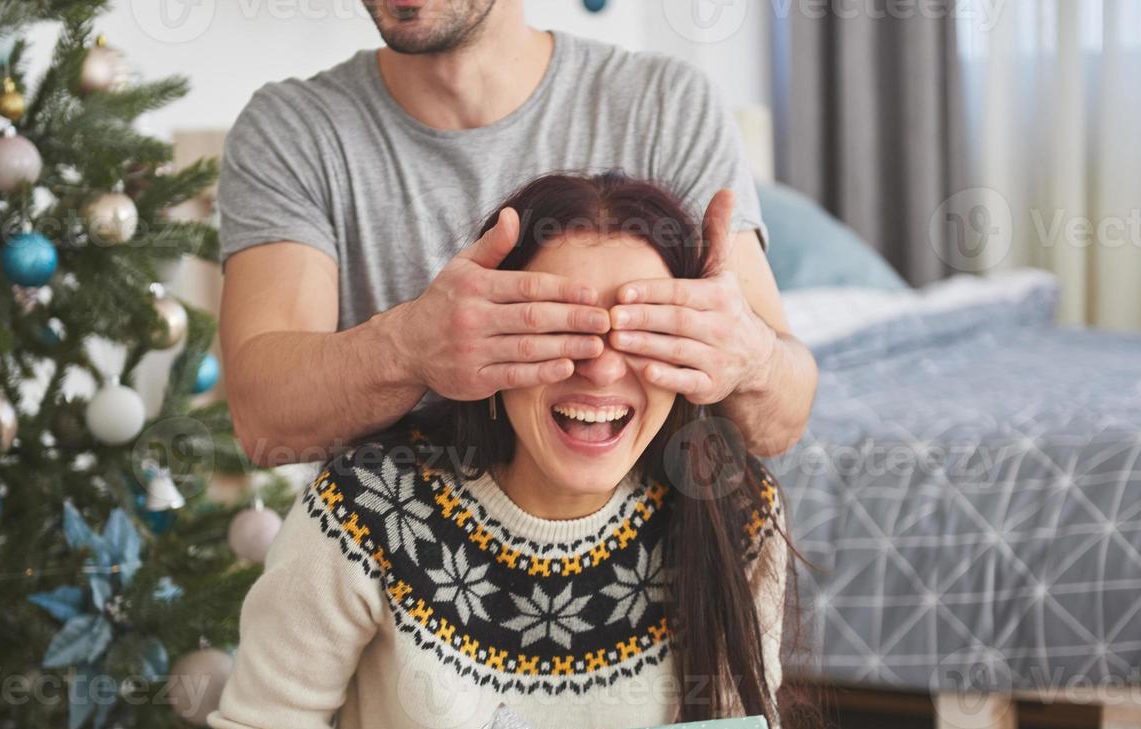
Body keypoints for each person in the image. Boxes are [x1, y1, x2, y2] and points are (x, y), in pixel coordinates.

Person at [206, 173, 792, 729]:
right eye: (558, 329)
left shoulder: (731, 510)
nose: (599, 370)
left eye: (642, 332)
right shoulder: (370, 506)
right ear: (488, 341)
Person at [217, 0, 817, 468]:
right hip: (394, 574)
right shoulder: (291, 132)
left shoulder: (665, 106)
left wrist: (750, 358)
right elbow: (263, 423)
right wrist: (406, 349)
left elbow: (780, 424)